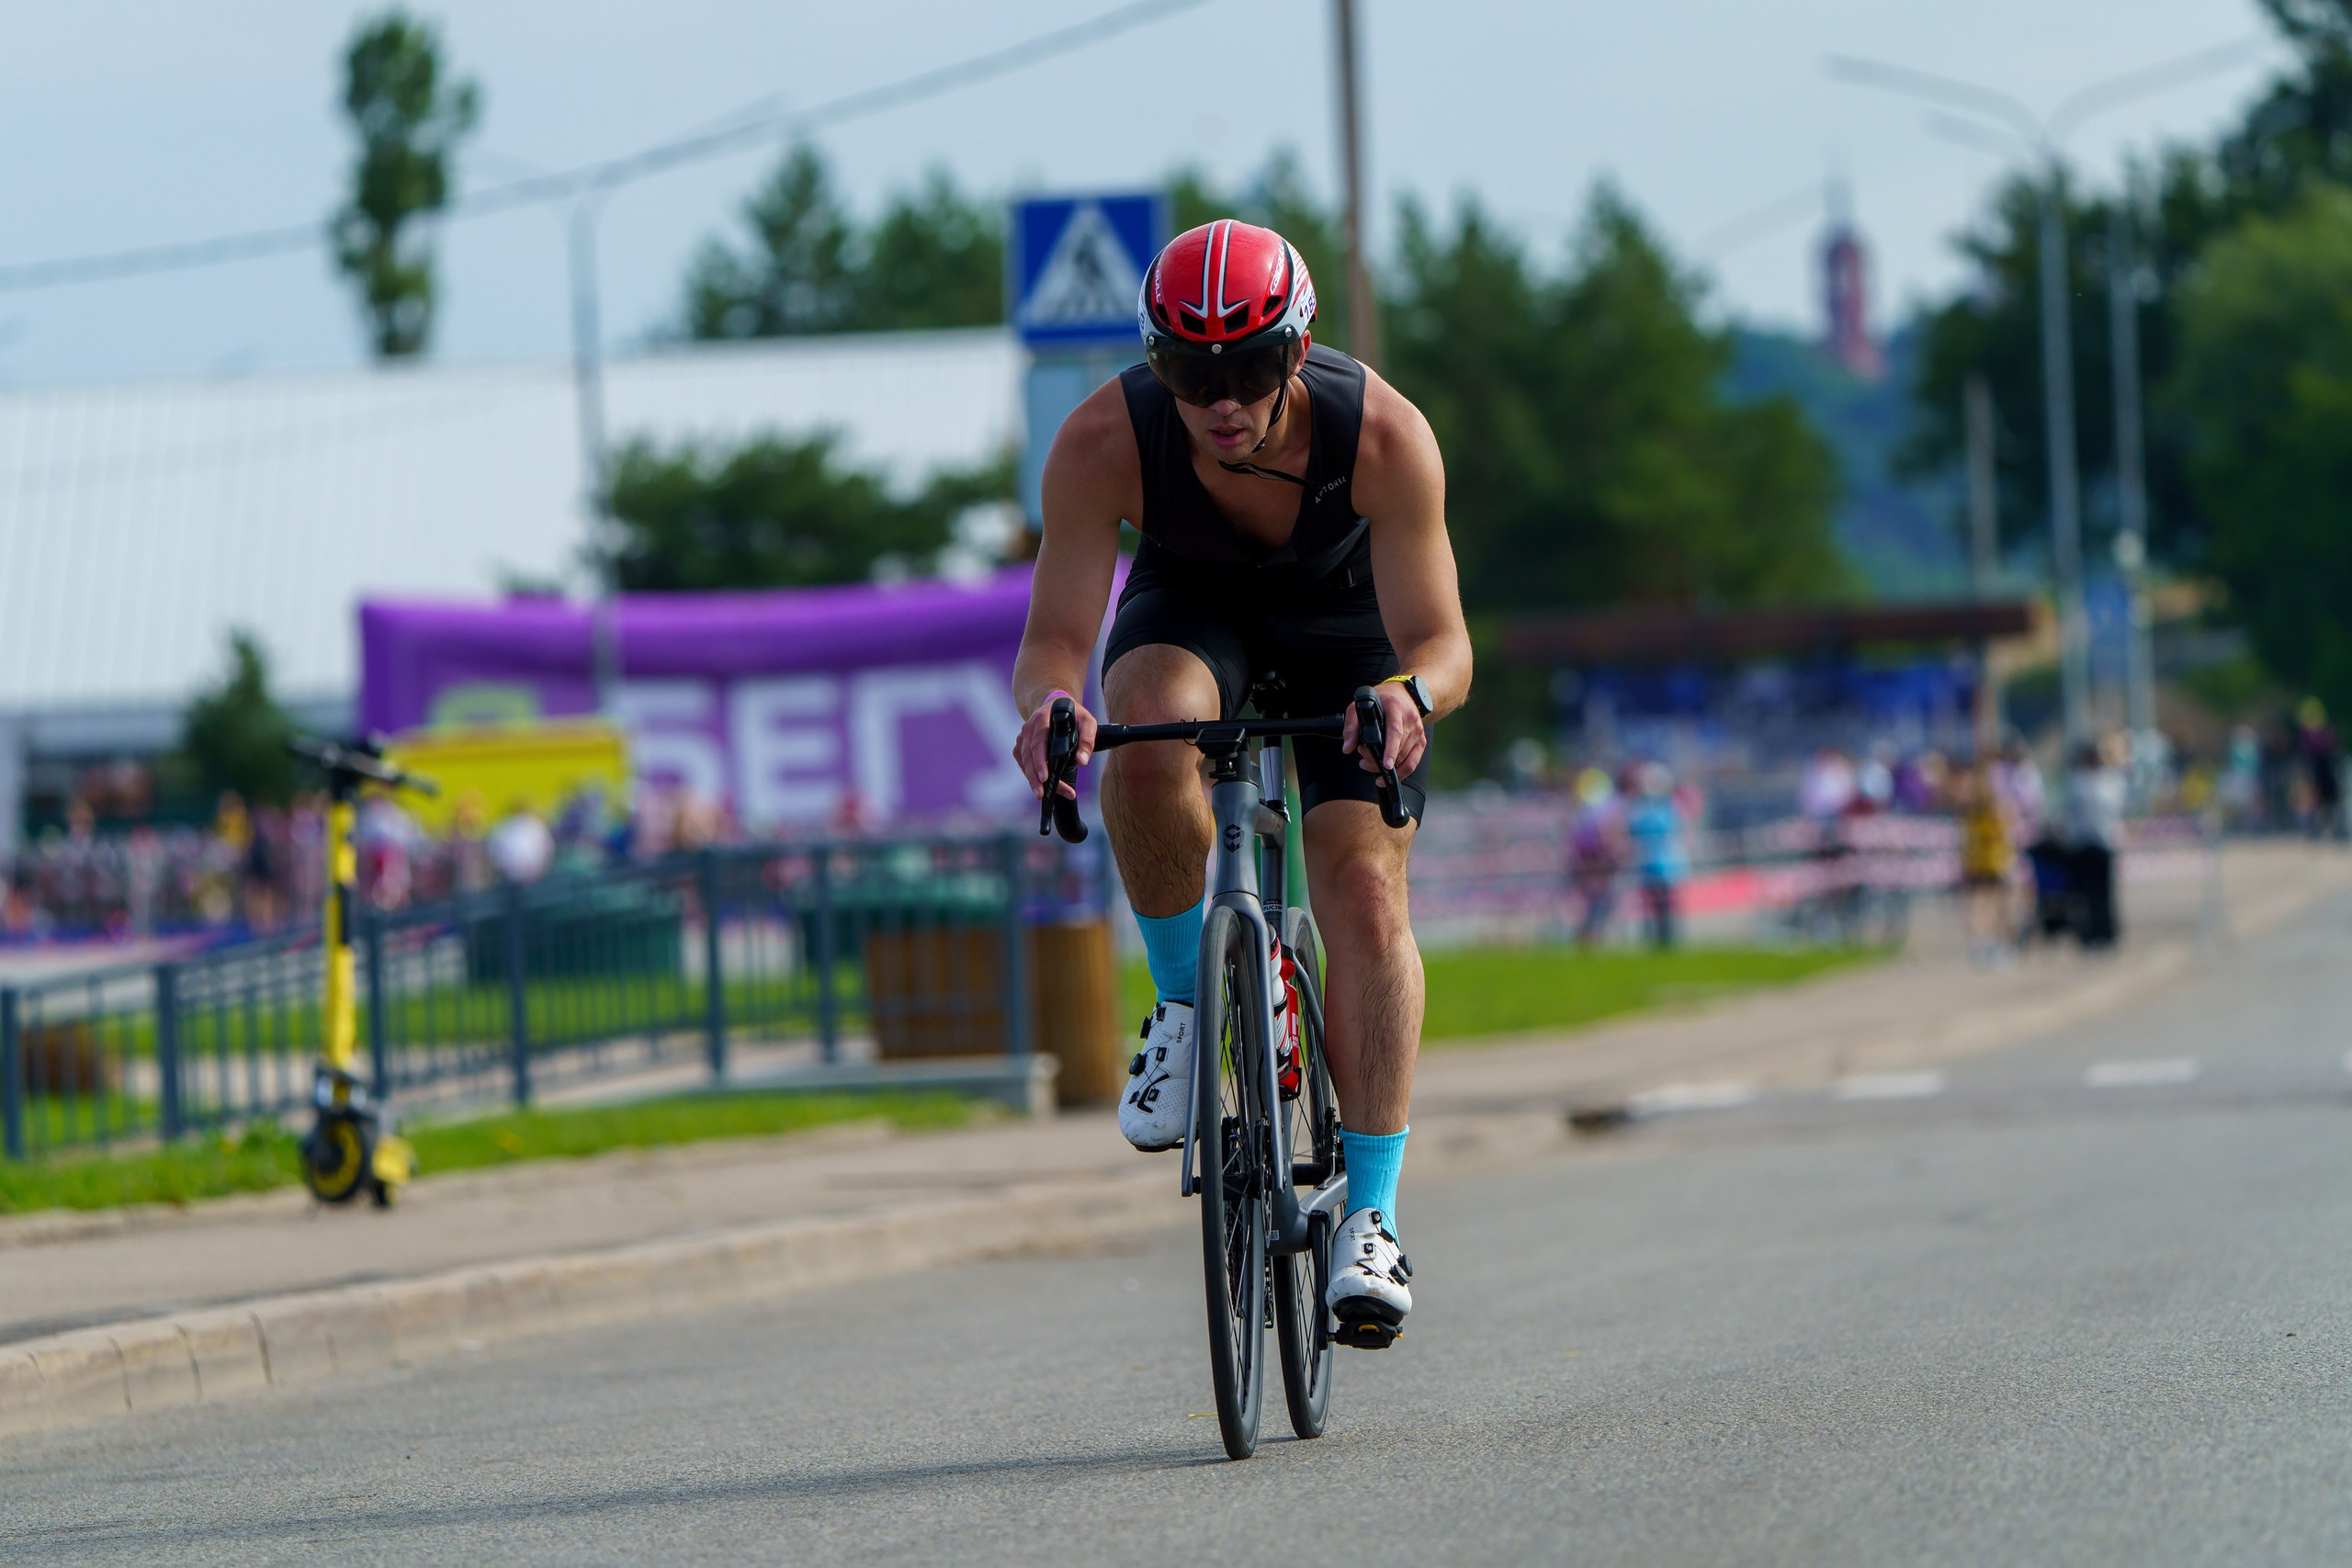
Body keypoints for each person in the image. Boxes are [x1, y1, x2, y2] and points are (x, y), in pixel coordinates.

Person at [1010, 220, 1471, 1348]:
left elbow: (1444, 642)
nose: (1221, 401)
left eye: (1251, 367)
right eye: (1191, 372)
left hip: (1345, 625)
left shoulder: (1384, 438)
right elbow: (1056, 641)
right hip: (1194, 605)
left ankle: (1371, 1217)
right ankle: (1184, 1002)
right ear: (1157, 365)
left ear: (1298, 350)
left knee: (1361, 890)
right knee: (1143, 737)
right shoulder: (1101, 439)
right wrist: (1053, 710)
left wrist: (1410, 695)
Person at [1953, 758, 2015, 965]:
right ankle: (1986, 942)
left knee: (1992, 904)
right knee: (1987, 904)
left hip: (1990, 861)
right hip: (1988, 861)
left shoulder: (1979, 809)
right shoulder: (1979, 810)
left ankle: (1989, 942)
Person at [1623, 762, 1688, 949]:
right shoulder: (1663, 810)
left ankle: (1662, 942)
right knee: (1660, 908)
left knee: (1658, 908)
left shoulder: (1646, 810)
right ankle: (1661, 942)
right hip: (1658, 865)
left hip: (1657, 865)